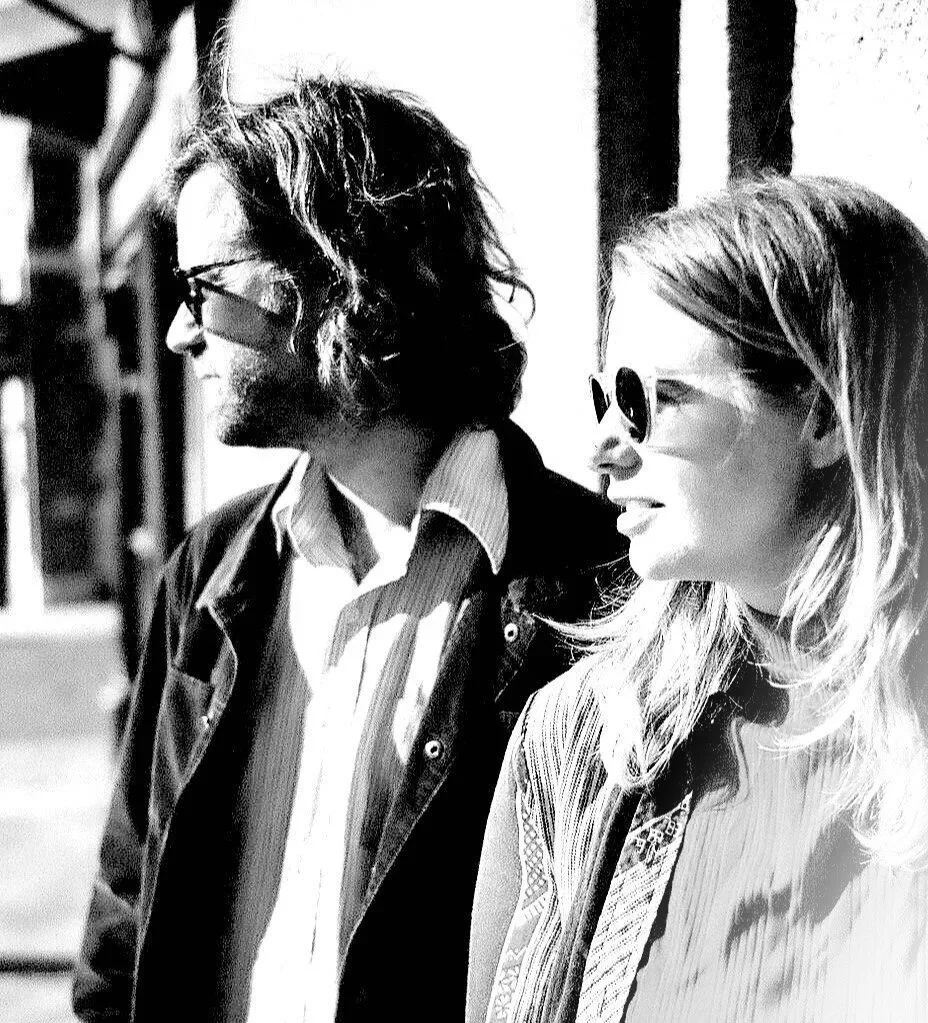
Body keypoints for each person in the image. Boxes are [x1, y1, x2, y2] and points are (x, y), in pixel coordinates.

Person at [466, 176, 928, 1022]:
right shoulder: (584, 742)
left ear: (824, 418)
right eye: (604, 399)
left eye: (648, 400)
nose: (603, 449)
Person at [73, 75, 626, 1023]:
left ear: (340, 278)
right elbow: (126, 928)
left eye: (202, 288)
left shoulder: (589, 586)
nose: (177, 333)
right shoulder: (209, 574)